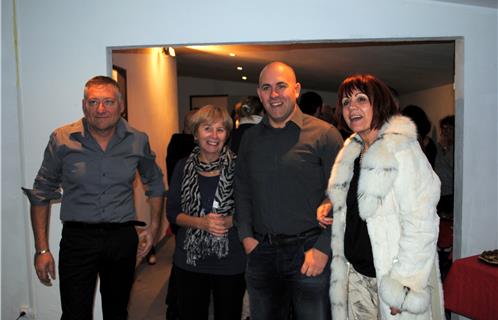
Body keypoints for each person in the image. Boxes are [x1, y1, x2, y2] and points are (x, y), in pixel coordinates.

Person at [22, 76, 164, 319]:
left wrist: (153, 226)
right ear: (83, 105)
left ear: (121, 106)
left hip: (121, 238)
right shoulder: (62, 138)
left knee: (117, 311)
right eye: (93, 101)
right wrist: (41, 249)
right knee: (75, 313)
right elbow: (40, 193)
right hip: (78, 240)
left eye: (108, 102)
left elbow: (155, 183)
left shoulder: (137, 140)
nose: (100, 109)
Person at [319, 74, 444, 319]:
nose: (351, 107)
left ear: (380, 104)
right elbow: (356, 203)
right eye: (345, 102)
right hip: (355, 276)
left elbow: (421, 224)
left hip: (389, 279)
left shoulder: (402, 150)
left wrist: (404, 286)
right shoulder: (351, 151)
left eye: (361, 99)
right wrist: (330, 204)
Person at [234, 61, 343, 320]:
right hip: (262, 252)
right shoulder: (249, 138)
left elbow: (341, 195)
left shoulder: (325, 134)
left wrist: (323, 247)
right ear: (259, 94)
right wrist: (246, 237)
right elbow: (242, 189)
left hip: (309, 251)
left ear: (296, 89)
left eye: (281, 86)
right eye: (267, 88)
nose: (274, 94)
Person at [166, 104, 246, 320]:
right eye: (207, 128)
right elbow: (172, 212)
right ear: (195, 134)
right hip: (190, 261)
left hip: (230, 260)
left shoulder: (240, 167)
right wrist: (201, 223)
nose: (214, 135)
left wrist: (229, 221)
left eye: (220, 130)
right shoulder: (182, 167)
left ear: (227, 135)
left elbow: (252, 210)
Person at [163, 109, 197, 320]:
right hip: (187, 212)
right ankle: (176, 304)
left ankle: (174, 304)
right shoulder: (186, 148)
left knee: (182, 258)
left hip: (180, 210)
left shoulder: (174, 143)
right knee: (185, 260)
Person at [434, 115, 455, 216]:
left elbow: (452, 166)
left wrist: (445, 147)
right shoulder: (438, 146)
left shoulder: (457, 148)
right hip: (438, 192)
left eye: (449, 128)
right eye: (443, 128)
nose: (445, 132)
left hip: (450, 193)